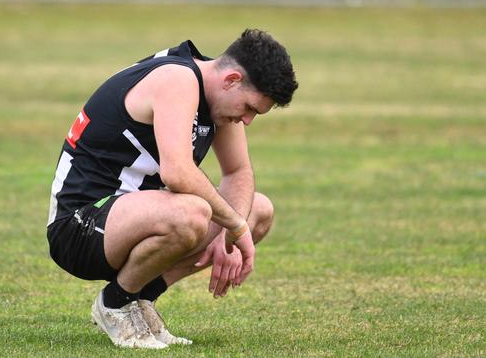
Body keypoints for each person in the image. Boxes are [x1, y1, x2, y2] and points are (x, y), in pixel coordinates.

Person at [46, 28, 298, 349]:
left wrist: (229, 235)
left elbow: (238, 172)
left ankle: (140, 301)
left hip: (133, 220)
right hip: (79, 225)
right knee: (193, 214)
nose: (247, 120)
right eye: (249, 108)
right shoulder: (177, 80)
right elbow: (177, 173)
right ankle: (115, 303)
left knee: (257, 211)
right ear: (232, 80)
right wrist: (234, 225)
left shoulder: (214, 98)